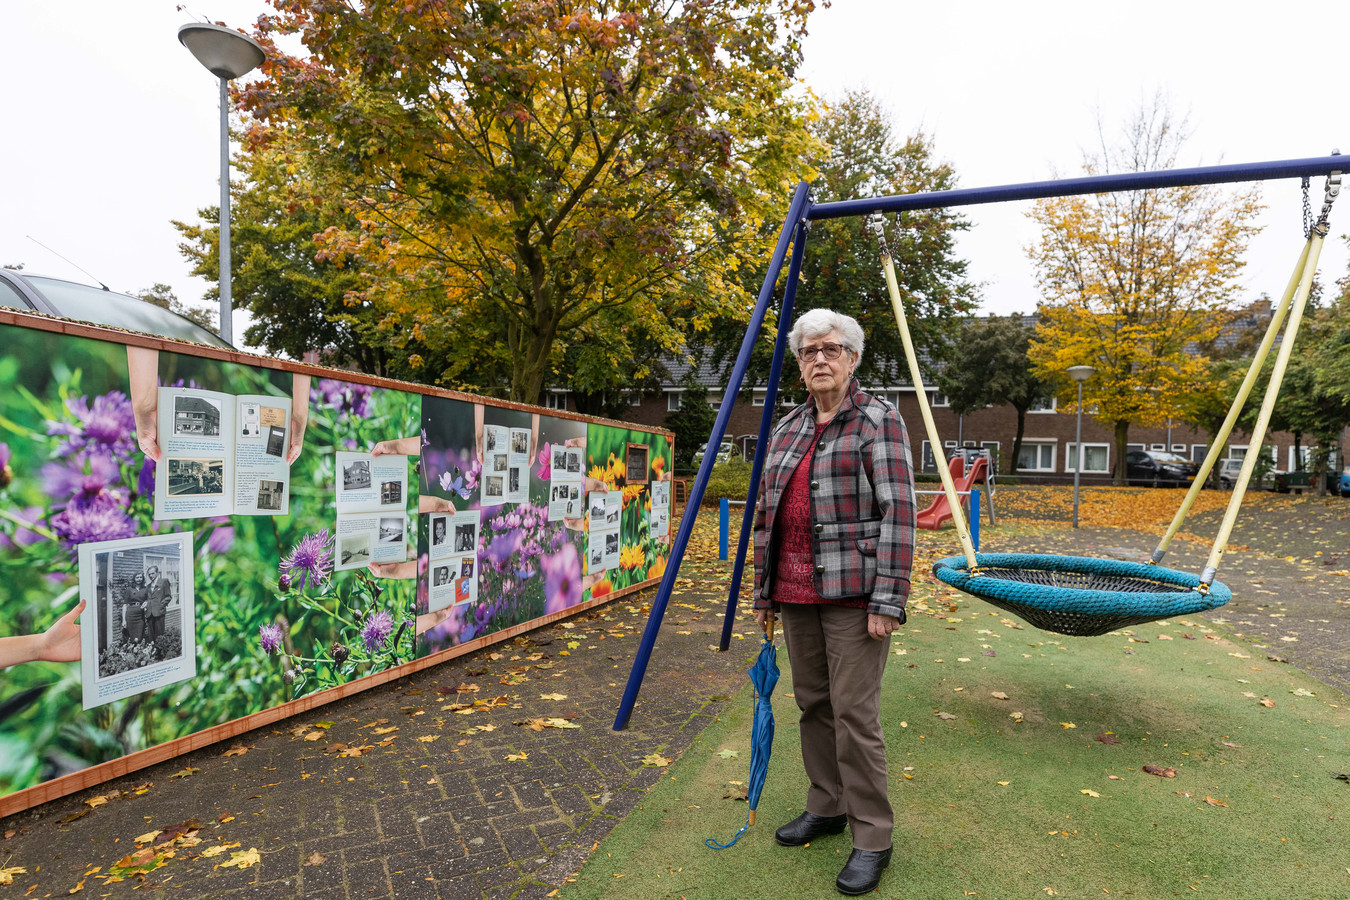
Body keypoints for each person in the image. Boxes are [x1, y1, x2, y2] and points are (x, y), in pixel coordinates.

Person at [752, 308, 915, 896]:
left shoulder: (878, 420)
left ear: (852, 358)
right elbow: (767, 518)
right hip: (795, 594)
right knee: (813, 705)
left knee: (855, 715)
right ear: (800, 365)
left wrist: (888, 601)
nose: (819, 359)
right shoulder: (789, 427)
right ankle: (827, 805)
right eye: (808, 351)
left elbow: (900, 515)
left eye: (830, 349)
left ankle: (873, 835)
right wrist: (763, 591)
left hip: (853, 597)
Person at [144, 566, 172, 641]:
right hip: (149, 613)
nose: (151, 576)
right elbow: (148, 598)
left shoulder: (163, 582)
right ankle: (152, 651)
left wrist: (161, 605)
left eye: (152, 573)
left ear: (157, 573)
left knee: (159, 635)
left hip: (159, 612)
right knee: (151, 636)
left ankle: (159, 651)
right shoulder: (148, 586)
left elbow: (168, 597)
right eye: (149, 574)